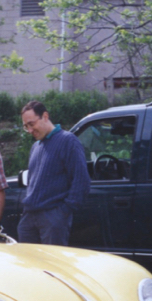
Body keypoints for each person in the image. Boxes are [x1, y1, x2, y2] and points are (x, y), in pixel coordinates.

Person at [18, 100, 90, 246]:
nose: (30, 130)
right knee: (27, 259)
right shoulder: (36, 146)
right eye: (26, 127)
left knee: (52, 259)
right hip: (29, 217)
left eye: (32, 124)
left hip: (52, 217)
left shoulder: (68, 141)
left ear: (45, 116)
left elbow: (81, 181)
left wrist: (62, 213)